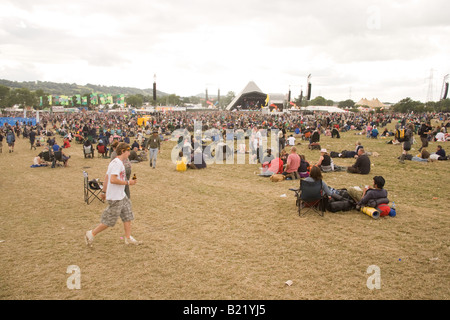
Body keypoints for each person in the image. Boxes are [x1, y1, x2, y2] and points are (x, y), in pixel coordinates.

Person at [85, 142, 141, 247]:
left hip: (121, 195)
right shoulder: (117, 164)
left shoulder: (116, 162)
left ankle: (128, 238)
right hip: (116, 197)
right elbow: (113, 179)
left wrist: (104, 191)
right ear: (123, 151)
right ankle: (91, 233)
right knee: (109, 221)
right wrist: (128, 182)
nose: (129, 154)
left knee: (127, 214)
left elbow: (106, 177)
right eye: (128, 151)